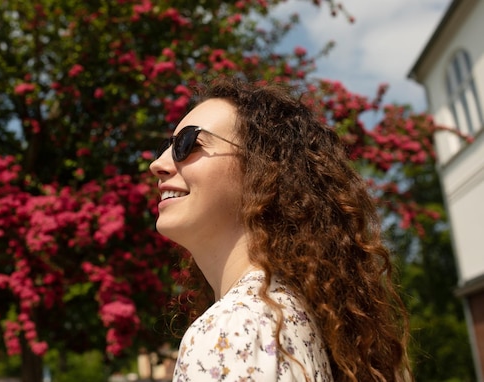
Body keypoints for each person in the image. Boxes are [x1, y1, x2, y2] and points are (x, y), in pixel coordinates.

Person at [149, 76, 412, 381]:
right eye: (165, 146)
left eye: (187, 143)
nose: (158, 163)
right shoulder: (288, 318)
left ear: (263, 170)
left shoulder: (233, 329)